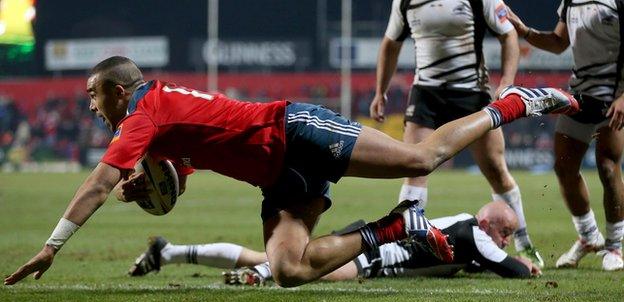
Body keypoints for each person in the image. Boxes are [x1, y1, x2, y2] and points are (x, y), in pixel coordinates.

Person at [4, 56, 577, 287]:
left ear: (117, 89)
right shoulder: (156, 113)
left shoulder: (142, 112)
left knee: (420, 157)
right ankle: (396, 227)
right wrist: (161, 181)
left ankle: (515, 103)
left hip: (296, 130)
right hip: (277, 176)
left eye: (93, 96)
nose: (89, 107)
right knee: (287, 270)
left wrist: (54, 246)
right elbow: (188, 163)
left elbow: (98, 181)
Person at [369, 0, 544, 268]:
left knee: (496, 169)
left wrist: (507, 83)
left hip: (472, 93)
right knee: (414, 167)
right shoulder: (404, 2)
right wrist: (380, 91)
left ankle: (525, 245)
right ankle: (408, 243)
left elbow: (508, 35)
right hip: (427, 92)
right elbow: (390, 44)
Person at [128, 201, 541, 285]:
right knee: (305, 272)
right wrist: (529, 266)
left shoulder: (465, 230)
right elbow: (514, 270)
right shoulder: (475, 234)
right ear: (488, 223)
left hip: (372, 245)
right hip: (371, 252)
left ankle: (171, 252)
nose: (504, 240)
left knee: (277, 258)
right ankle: (257, 275)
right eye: (504, 232)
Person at [507, 1, 624, 271]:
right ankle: (588, 236)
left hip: (614, 96)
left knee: (608, 167)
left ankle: (614, 246)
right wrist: (525, 31)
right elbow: (559, 42)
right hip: (581, 93)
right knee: (564, 167)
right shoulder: (571, 1)